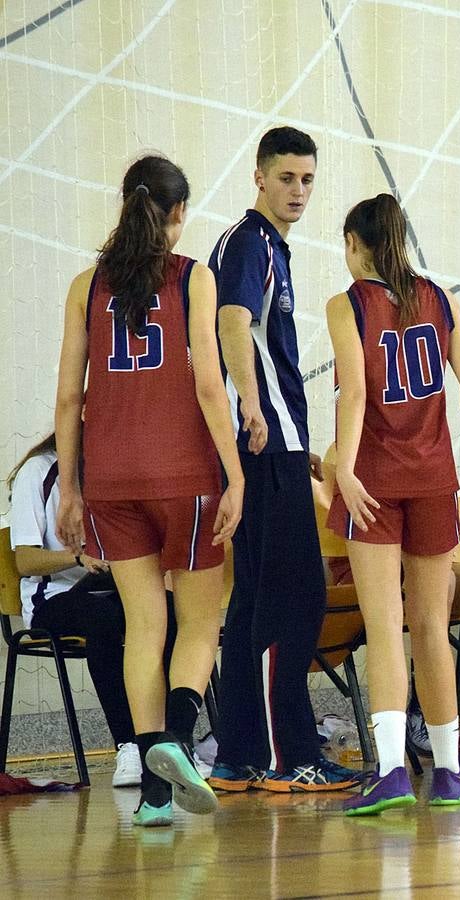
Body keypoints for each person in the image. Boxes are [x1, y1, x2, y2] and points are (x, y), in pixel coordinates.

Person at [53, 155, 243, 825]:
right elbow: (209, 385)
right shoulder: (193, 277)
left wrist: (69, 490)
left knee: (142, 626)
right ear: (178, 214)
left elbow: (70, 397)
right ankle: (177, 744)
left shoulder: (86, 285)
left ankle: (156, 799)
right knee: (199, 621)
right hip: (183, 474)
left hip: (109, 478)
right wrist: (235, 474)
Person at [330, 194, 460, 815]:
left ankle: (391, 769)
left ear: (354, 244)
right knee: (432, 628)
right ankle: (448, 769)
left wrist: (341, 466)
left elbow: (356, 394)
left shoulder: (347, 305)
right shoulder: (439, 299)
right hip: (434, 482)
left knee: (386, 625)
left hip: (375, 481)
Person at [209, 127, 356, 793]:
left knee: (255, 600)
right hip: (268, 443)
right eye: (287, 178)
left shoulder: (268, 247)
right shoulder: (251, 243)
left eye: (307, 180)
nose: (298, 191)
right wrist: (251, 403)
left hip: (276, 447)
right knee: (296, 597)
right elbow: (233, 323)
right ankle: (286, 755)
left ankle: (238, 755)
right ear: (259, 177)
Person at [9, 434, 141, 787]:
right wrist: (79, 558)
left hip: (105, 588)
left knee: (168, 612)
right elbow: (24, 560)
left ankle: (173, 741)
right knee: (103, 618)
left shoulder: (111, 472)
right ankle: (128, 745)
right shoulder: (37, 472)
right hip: (50, 597)